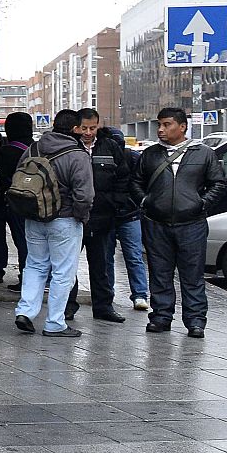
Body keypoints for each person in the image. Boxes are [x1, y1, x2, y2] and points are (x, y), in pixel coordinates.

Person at [132, 107, 227, 338]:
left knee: (192, 275)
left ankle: (195, 321)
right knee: (160, 273)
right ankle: (161, 317)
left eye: (167, 124)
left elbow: (218, 183)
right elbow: (135, 182)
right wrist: (146, 201)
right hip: (157, 222)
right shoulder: (151, 154)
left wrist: (201, 204)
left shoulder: (203, 153)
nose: (161, 129)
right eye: (159, 125)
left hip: (191, 224)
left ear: (182, 126)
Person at [13, 109, 94, 338]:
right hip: (65, 219)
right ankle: (55, 323)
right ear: (76, 129)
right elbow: (85, 195)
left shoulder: (34, 148)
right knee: (62, 272)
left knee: (35, 265)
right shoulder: (77, 155)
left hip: (34, 217)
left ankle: (25, 312)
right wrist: (81, 216)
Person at [65, 108, 140, 324]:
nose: (88, 132)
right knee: (68, 266)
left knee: (101, 265)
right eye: (84, 128)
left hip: (103, 216)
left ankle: (104, 306)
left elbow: (123, 177)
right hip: (74, 216)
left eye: (92, 128)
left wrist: (115, 204)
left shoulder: (110, 147)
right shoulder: (70, 146)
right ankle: (68, 306)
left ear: (99, 125)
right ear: (77, 127)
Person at [102, 126, 151, 312]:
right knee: (132, 256)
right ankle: (137, 295)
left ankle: (135, 294)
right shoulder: (132, 157)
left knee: (123, 256)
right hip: (126, 214)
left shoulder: (130, 158)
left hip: (126, 214)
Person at [0, 112, 34, 289]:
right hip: (26, 202)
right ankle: (27, 276)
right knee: (24, 240)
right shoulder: (36, 149)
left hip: (2, 200)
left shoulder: (6, 150)